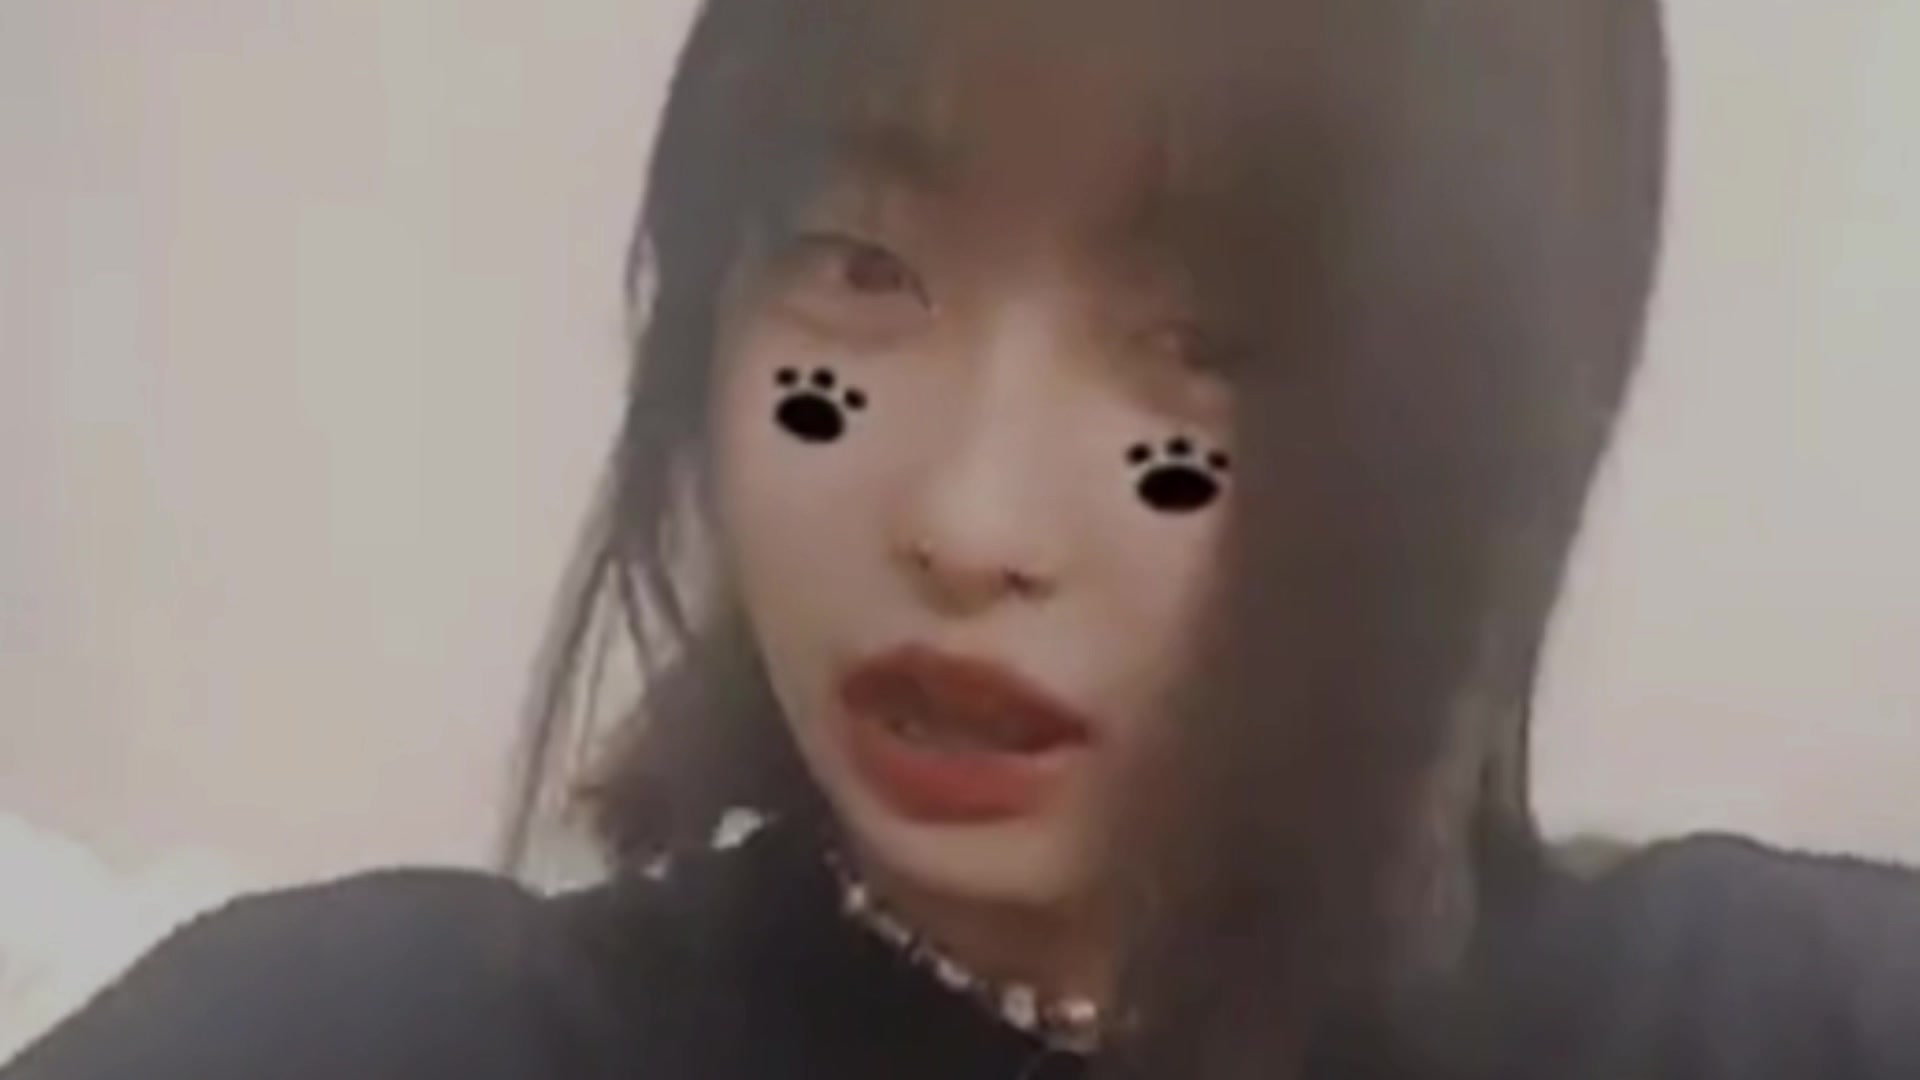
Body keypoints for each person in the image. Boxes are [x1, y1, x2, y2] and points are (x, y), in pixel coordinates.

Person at [9, 0, 1919, 1078]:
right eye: (857, 269)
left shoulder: (1764, 1021)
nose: (963, 518)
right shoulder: (368, 1039)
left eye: (1211, 347)